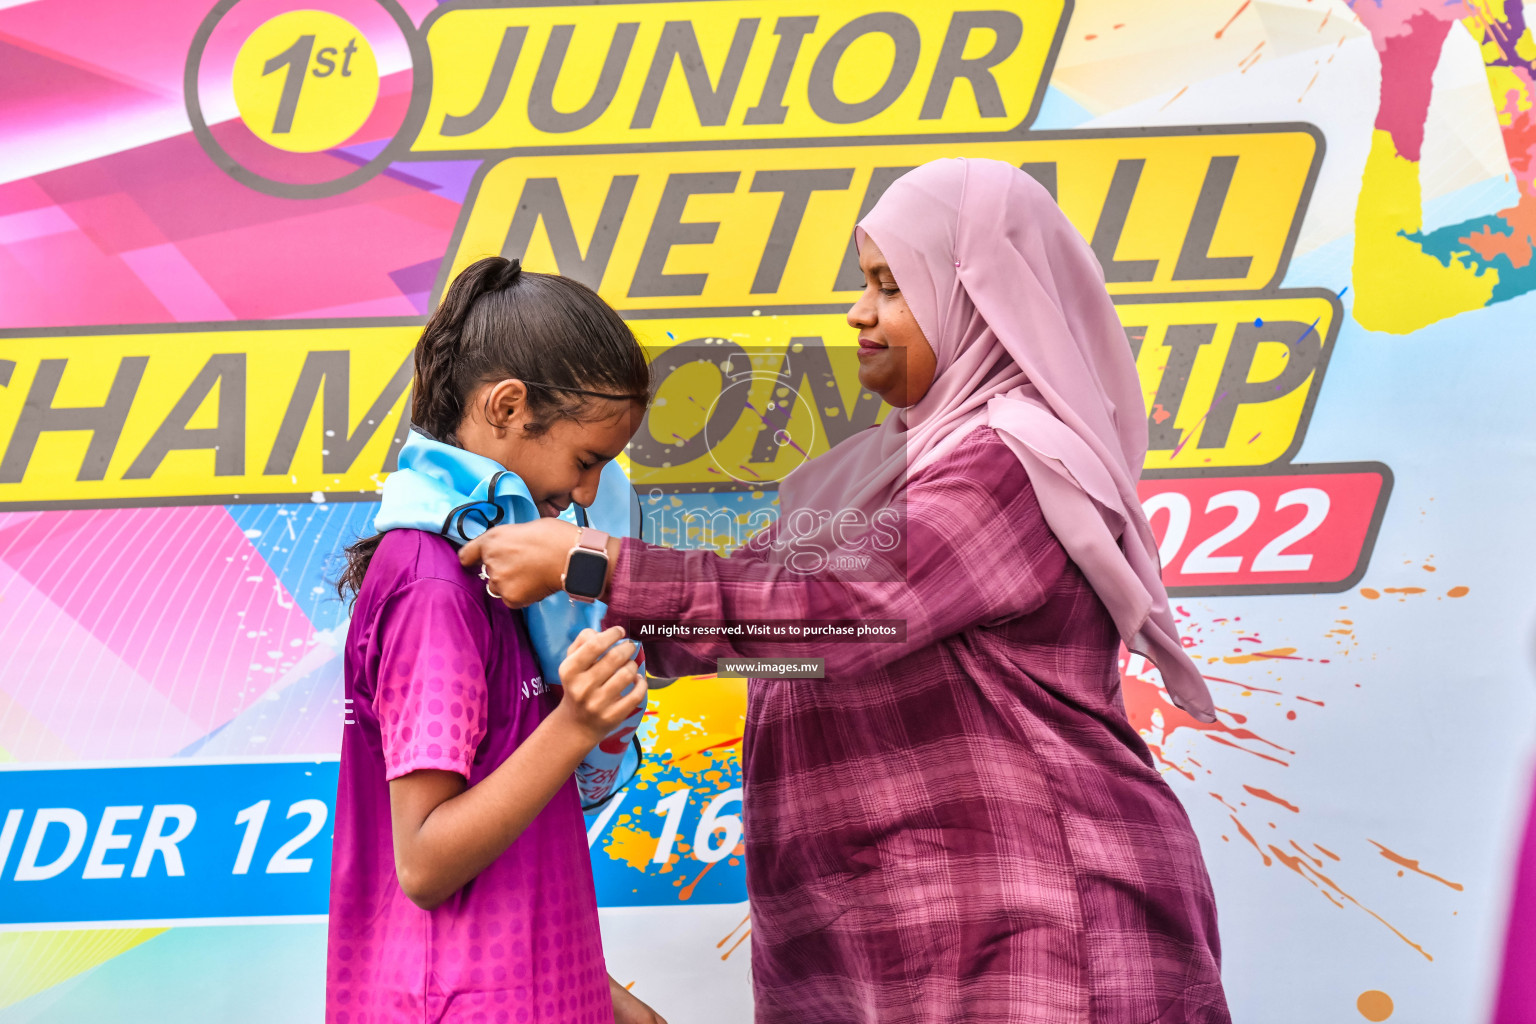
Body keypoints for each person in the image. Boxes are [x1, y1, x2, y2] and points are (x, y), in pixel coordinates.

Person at [460, 159, 1231, 1023]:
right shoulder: (865, 477)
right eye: (865, 284)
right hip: (875, 939)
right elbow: (735, 609)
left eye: (893, 287)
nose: (859, 312)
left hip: (1031, 920)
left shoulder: (1013, 463)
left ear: (978, 297)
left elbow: (844, 613)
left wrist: (591, 563)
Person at [326, 257, 668, 1024]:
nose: (585, 496)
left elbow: (508, 852)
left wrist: (598, 993)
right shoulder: (434, 583)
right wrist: (576, 722)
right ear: (508, 406)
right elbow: (424, 861)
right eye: (586, 462)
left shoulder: (495, 573)